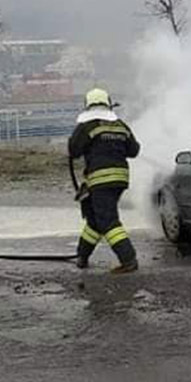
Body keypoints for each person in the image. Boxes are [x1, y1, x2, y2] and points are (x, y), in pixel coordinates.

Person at [68, 88, 140, 274]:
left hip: (100, 181)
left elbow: (74, 150)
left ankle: (128, 259)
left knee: (108, 221)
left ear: (87, 105)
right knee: (94, 220)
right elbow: (134, 150)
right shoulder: (120, 125)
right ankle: (82, 256)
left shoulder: (87, 126)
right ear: (108, 103)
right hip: (119, 179)